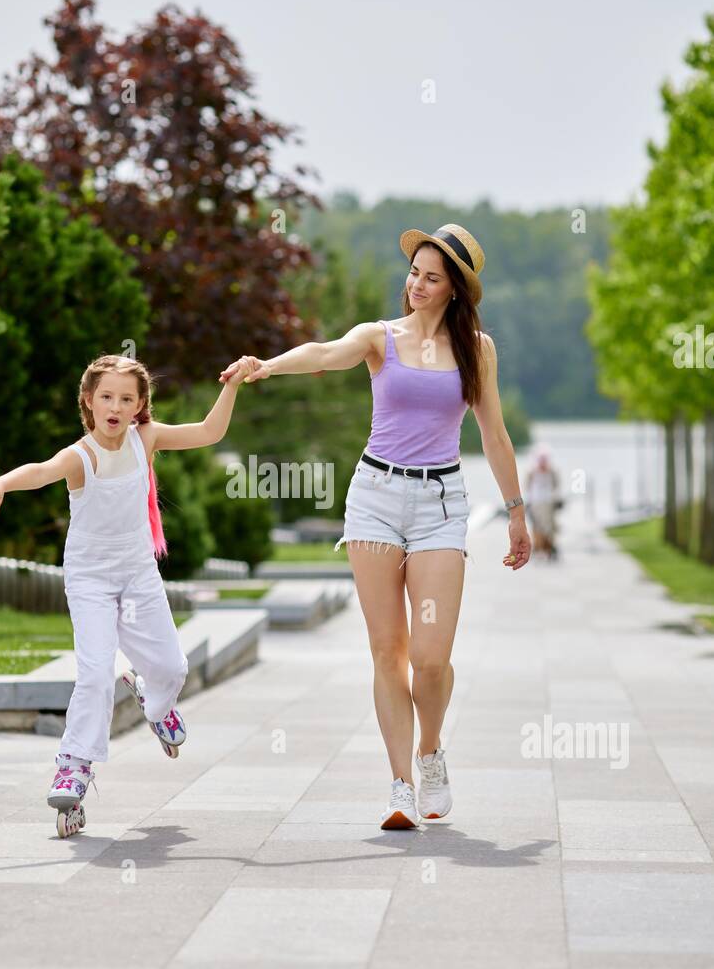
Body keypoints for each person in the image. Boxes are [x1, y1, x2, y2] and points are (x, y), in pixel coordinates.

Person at [220, 223, 531, 831]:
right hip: (374, 500)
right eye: (413, 271)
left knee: (432, 657)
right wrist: (265, 366)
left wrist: (518, 513)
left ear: (455, 289)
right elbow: (323, 353)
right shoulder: (378, 338)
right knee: (388, 651)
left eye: (431, 276)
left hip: (441, 504)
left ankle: (431, 749)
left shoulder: (478, 350)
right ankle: (400, 787)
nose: (416, 284)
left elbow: (494, 435)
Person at [0, 351, 259, 829]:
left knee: (171, 667)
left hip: (138, 575)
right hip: (89, 581)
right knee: (96, 673)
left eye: (127, 398)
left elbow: (210, 432)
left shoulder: (145, 439)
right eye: (106, 396)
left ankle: (154, 701)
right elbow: (39, 471)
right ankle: (73, 767)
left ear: (140, 404)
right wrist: (0, 482)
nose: (116, 406)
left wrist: (232, 385)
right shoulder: (80, 456)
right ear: (88, 400)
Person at [525, 444, 561, 560]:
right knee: (537, 527)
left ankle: (549, 548)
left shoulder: (552, 472)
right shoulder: (532, 472)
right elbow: (528, 487)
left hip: (549, 502)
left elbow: (556, 486)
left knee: (549, 527)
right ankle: (538, 548)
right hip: (536, 503)